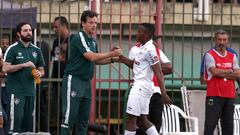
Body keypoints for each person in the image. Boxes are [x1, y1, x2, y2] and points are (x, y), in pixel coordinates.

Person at [60, 10, 122, 135]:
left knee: (83, 121)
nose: (94, 25)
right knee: (69, 118)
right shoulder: (79, 37)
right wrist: (112, 53)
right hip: (74, 80)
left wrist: (112, 60)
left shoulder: (92, 41)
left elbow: (95, 61)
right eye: (91, 22)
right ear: (83, 23)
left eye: (95, 22)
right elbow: (91, 57)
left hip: (86, 82)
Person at [118, 23, 172, 135]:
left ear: (146, 35)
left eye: (139, 32)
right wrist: (120, 57)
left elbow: (158, 72)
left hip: (140, 88)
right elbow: (135, 64)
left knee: (131, 119)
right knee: (142, 120)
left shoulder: (150, 50)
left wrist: (163, 93)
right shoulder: (142, 48)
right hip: (143, 87)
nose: (136, 34)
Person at [2, 22, 45, 134]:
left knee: (27, 125)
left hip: (30, 92)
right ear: (18, 33)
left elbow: (42, 69)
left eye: (30, 30)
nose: (28, 33)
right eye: (25, 31)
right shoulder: (13, 49)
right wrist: (23, 65)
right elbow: (5, 69)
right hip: (16, 92)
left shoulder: (36, 50)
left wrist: (39, 74)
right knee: (15, 124)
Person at [129, 36, 173, 134]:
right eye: (154, 40)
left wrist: (152, 65)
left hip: (156, 91)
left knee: (156, 120)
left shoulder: (157, 51)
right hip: (143, 89)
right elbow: (134, 65)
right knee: (141, 121)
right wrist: (153, 65)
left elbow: (169, 67)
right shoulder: (136, 49)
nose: (155, 43)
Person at [203, 29, 240, 135]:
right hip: (214, 96)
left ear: (227, 41)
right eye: (219, 40)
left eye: (224, 40)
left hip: (230, 96)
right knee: (210, 126)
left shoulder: (232, 56)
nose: (222, 42)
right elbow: (214, 72)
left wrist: (222, 72)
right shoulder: (209, 55)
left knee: (228, 127)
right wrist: (229, 71)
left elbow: (238, 74)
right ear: (215, 40)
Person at [51, 16, 74, 126]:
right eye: (53, 27)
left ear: (64, 26)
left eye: (56, 27)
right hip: (56, 80)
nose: (54, 29)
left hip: (67, 80)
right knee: (58, 111)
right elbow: (53, 59)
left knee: (68, 111)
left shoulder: (73, 39)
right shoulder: (56, 41)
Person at [35, 26, 50, 132]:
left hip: (37, 80)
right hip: (44, 80)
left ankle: (42, 130)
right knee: (42, 108)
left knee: (38, 108)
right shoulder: (46, 45)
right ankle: (44, 131)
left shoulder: (36, 46)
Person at [0, 36, 10, 135]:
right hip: (1, 86)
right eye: (2, 43)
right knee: (2, 113)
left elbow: (7, 72)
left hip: (7, 86)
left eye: (6, 43)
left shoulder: (9, 55)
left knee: (6, 112)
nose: (4, 45)